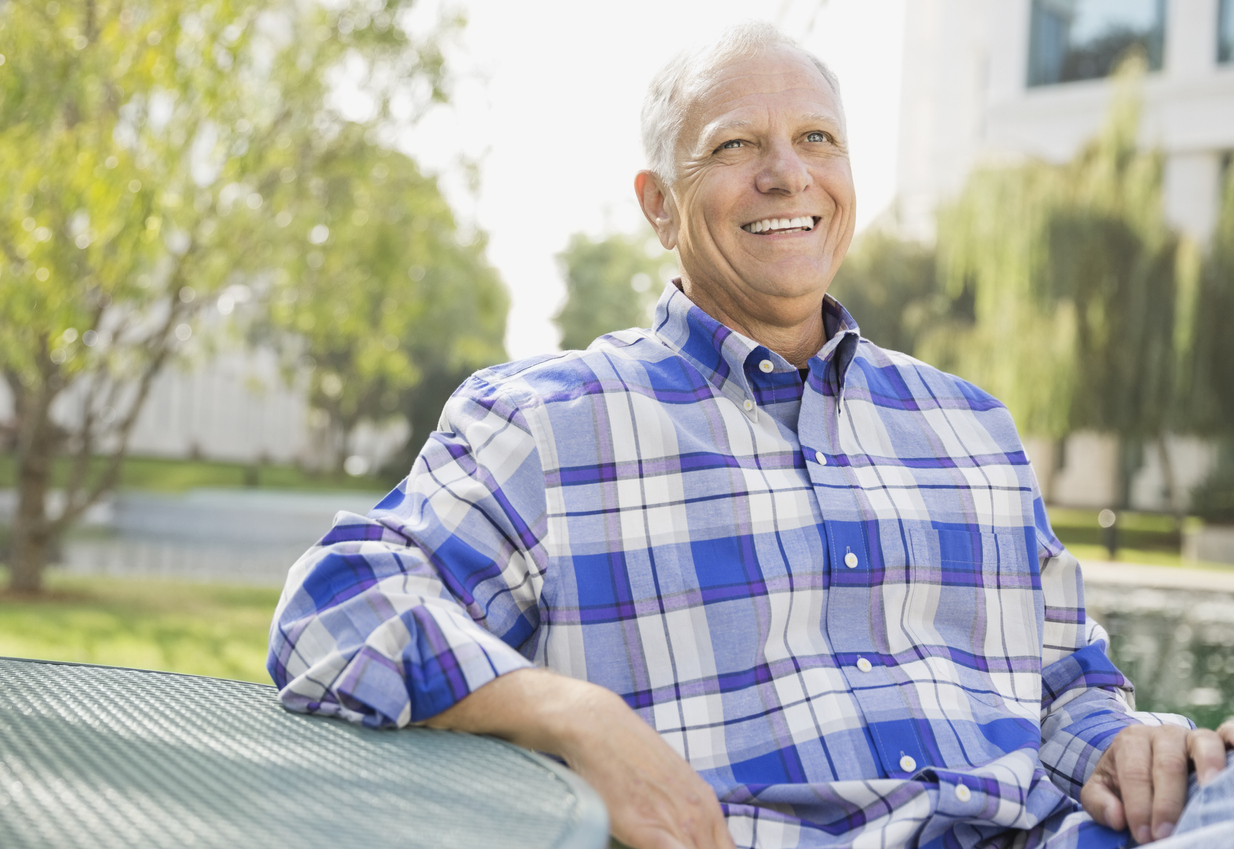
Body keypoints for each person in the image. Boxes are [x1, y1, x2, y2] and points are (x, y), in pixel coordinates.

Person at [268, 22, 1234, 849]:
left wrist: (1125, 738)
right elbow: (334, 608)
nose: (787, 174)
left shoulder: (967, 425)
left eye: (817, 138)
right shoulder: (548, 422)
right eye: (735, 146)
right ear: (657, 203)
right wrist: (574, 714)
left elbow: (1068, 681)